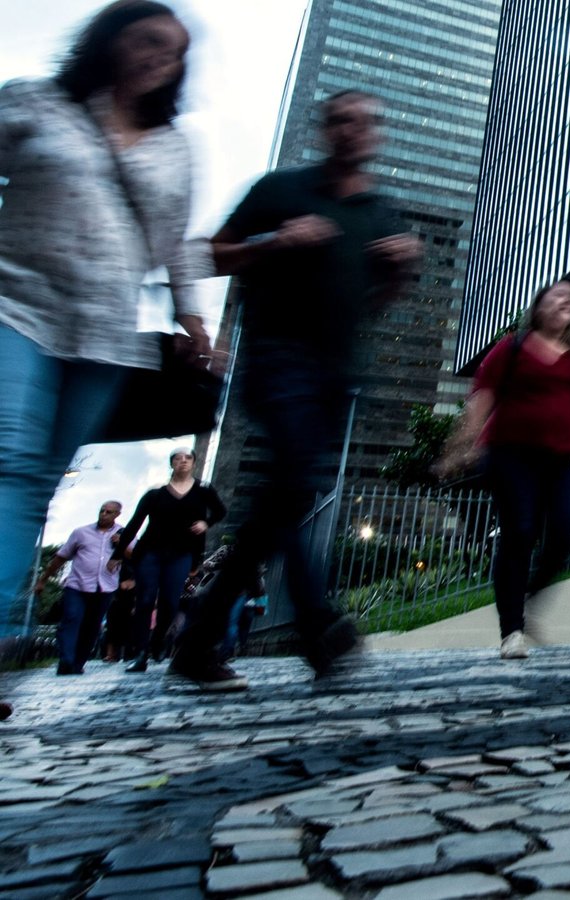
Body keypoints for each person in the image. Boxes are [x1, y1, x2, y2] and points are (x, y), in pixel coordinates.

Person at [174, 89, 423, 690]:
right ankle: (319, 624)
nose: (351, 130)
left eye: (363, 122)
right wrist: (275, 242)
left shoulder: (380, 213)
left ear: (377, 134)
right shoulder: (279, 190)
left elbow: (375, 303)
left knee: (282, 501)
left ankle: (199, 639)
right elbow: (208, 256)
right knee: (287, 485)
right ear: (324, 129)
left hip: (337, 375)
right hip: (276, 359)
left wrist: (400, 270)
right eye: (340, 120)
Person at [0, 0, 209, 705]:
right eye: (147, 40)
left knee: (36, 479)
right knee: (11, 460)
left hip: (105, 335)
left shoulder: (173, 146)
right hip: (15, 307)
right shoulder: (38, 103)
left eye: (174, 53)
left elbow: (179, 242)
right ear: (110, 40)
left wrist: (192, 320)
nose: (159, 58)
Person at [436, 280, 570, 659]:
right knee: (519, 531)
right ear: (538, 307)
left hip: (565, 459)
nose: (567, 300)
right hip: (512, 455)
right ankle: (512, 631)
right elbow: (483, 397)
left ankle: (528, 592)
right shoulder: (511, 347)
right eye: (558, 295)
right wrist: (462, 444)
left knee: (564, 534)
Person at [114, 448, 225, 671]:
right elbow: (136, 522)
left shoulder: (203, 490)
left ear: (194, 463)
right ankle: (141, 653)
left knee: (170, 603)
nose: (183, 461)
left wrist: (206, 523)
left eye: (188, 458)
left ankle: (158, 640)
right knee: (145, 600)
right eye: (177, 458)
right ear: (171, 463)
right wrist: (117, 554)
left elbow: (220, 511)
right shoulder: (156, 493)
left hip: (181, 554)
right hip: (150, 552)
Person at [35, 501, 124, 674]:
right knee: (71, 618)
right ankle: (66, 660)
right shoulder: (81, 532)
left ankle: (78, 663)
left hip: (104, 589)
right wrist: (43, 580)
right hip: (77, 586)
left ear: (117, 514)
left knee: (92, 626)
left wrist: (121, 544)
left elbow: (135, 556)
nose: (104, 514)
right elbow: (61, 557)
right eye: (102, 510)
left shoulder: (124, 533)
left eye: (109, 512)